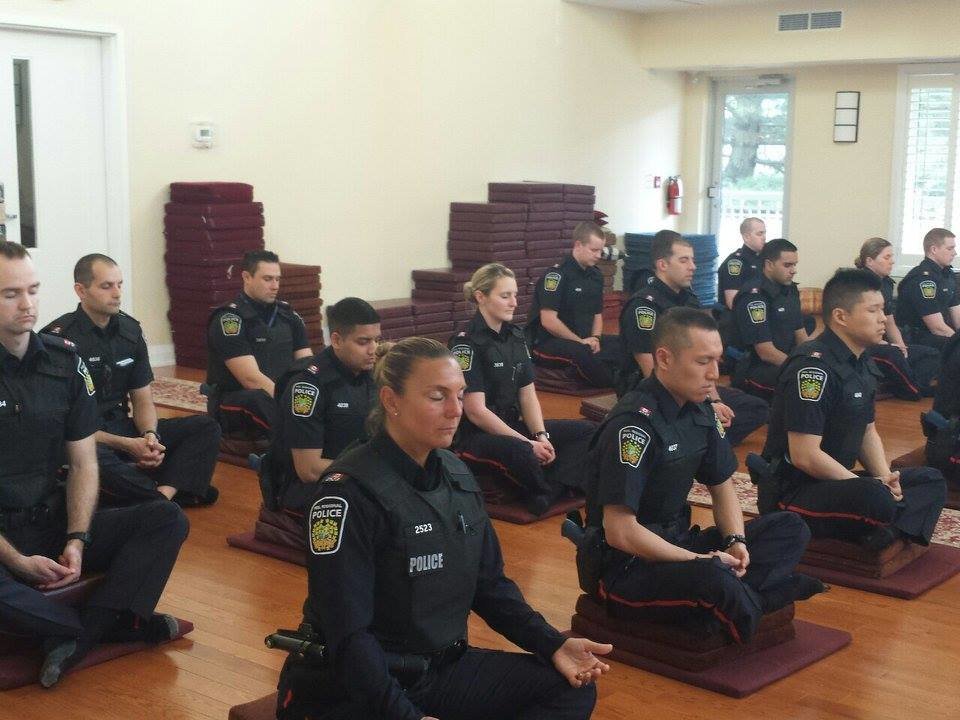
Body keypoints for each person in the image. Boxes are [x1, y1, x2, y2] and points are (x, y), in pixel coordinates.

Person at [275, 337, 611, 720]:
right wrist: (404, 716)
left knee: (568, 687)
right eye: (438, 397)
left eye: (461, 394)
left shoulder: (457, 474)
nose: (456, 411)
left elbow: (490, 586)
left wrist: (552, 644)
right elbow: (349, 637)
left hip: (437, 670)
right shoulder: (346, 496)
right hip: (353, 686)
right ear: (391, 401)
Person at [0, 241, 189, 688]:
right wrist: (20, 562)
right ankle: (106, 627)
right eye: (10, 294)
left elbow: (84, 464)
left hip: (49, 522)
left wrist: (77, 539)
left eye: (33, 290)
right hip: (3, 542)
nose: (27, 304)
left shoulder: (65, 363)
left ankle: (67, 632)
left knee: (166, 519)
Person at [579, 307, 821, 644]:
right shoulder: (633, 426)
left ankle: (738, 597)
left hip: (678, 544)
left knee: (789, 527)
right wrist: (701, 561)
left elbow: (722, 487)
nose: (714, 374)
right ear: (664, 358)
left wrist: (735, 541)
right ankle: (763, 596)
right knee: (713, 578)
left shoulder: (701, 410)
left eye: (717, 361)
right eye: (702, 361)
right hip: (627, 566)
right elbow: (620, 532)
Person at [760, 269, 946, 549]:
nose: (883, 319)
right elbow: (804, 456)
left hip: (838, 482)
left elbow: (867, 430)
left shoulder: (861, 362)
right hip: (796, 491)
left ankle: (883, 531)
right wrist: (872, 487)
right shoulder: (813, 368)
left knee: (929, 479)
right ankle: (890, 529)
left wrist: (885, 478)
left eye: (883, 309)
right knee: (875, 498)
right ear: (840, 316)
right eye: (873, 310)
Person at [44, 254, 221, 507]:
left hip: (123, 428)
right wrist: (129, 446)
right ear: (80, 290)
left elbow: (142, 399)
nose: (117, 293)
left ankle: (162, 497)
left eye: (120, 284)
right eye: (106, 286)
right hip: (86, 438)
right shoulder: (57, 342)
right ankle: (169, 489)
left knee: (206, 427)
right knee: (88, 459)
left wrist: (150, 437)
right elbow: (63, 426)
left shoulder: (130, 331)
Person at [449, 264, 596, 516]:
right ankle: (557, 486)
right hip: (477, 435)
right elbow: (475, 412)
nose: (514, 302)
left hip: (511, 425)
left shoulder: (517, 336)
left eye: (515, 295)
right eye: (505, 296)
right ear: (480, 297)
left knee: (585, 430)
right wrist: (527, 443)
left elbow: (528, 394)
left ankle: (549, 492)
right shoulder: (465, 343)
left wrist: (540, 435)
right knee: (521, 451)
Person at [618, 231, 768, 446]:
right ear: (662, 265)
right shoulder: (645, 306)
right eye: (684, 260)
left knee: (757, 408)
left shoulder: (689, 299)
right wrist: (705, 405)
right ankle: (701, 441)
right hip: (653, 389)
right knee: (705, 417)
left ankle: (697, 440)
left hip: (691, 378)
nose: (693, 266)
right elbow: (650, 369)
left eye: (693, 260)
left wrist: (714, 399)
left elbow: (706, 359)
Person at [264, 297, 380, 514]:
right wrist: (375, 469)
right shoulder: (308, 387)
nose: (373, 349)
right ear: (336, 340)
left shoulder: (372, 376)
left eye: (376, 340)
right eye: (363, 342)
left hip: (359, 476)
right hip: (314, 488)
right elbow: (308, 469)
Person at [205, 250, 313, 437]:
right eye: (268, 279)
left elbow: (307, 364)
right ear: (247, 277)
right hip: (235, 400)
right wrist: (291, 403)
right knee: (258, 399)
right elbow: (251, 379)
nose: (275, 286)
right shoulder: (230, 319)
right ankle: (300, 448)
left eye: (278, 279)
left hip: (279, 397)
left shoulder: (289, 316)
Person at [527, 221, 620, 388]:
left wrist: (596, 338)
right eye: (594, 250)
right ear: (578, 245)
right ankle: (615, 383)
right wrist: (580, 341)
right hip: (549, 342)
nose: (599, 255)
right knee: (582, 353)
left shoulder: (596, 276)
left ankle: (618, 377)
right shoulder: (556, 276)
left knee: (623, 343)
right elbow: (548, 321)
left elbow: (597, 314)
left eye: (601, 250)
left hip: (585, 339)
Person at [855, 237, 938, 399]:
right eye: (887, 257)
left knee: (931, 353)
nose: (892, 262)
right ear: (869, 261)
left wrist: (901, 346)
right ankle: (913, 391)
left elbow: (890, 322)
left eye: (892, 257)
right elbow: (856, 325)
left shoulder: (886, 284)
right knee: (892, 354)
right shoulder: (858, 284)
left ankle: (906, 385)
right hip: (864, 344)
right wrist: (882, 343)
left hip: (884, 341)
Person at [730, 239, 809, 402]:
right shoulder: (754, 297)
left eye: (795, 265)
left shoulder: (790, 290)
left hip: (783, 361)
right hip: (756, 369)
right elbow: (766, 352)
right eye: (787, 265)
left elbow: (801, 336)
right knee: (807, 384)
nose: (793, 270)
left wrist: (815, 359)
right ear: (769, 264)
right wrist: (800, 367)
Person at [894, 228, 960, 350]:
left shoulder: (947, 275)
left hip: (939, 337)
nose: (955, 253)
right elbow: (937, 328)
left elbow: (957, 315)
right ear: (934, 249)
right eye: (950, 248)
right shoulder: (922, 279)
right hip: (918, 340)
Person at [719, 217, 766, 309]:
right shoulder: (736, 262)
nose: (764, 238)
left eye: (764, 233)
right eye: (759, 234)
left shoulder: (765, 258)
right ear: (746, 237)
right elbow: (732, 302)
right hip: (740, 317)